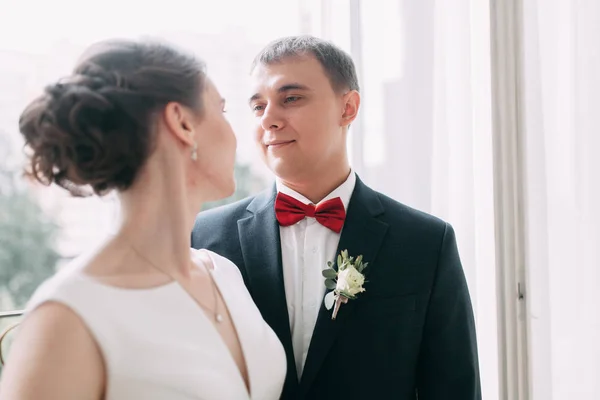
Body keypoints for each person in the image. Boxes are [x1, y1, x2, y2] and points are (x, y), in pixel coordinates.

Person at [191, 35, 481, 399]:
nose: (269, 120)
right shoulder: (204, 238)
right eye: (258, 106)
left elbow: (454, 388)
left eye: (291, 99)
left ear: (348, 108)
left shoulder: (426, 242)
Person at [0, 39, 286, 400]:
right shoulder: (67, 319)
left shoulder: (224, 274)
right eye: (223, 110)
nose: (239, 136)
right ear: (183, 123)